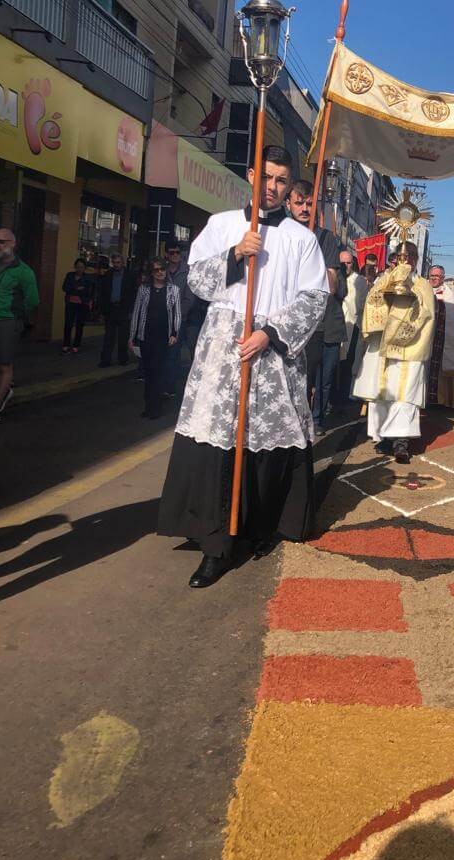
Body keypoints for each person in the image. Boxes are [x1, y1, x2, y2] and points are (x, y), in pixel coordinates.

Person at [157, 146, 328, 588]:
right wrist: (234, 254)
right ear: (252, 174)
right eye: (266, 178)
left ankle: (256, 526)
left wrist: (269, 333)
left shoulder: (302, 238)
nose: (272, 188)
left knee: (263, 442)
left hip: (272, 348)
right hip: (224, 344)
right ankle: (216, 543)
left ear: (290, 186)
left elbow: (314, 298)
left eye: (281, 181)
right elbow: (194, 278)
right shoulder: (222, 225)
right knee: (219, 440)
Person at [354, 241, 435, 464]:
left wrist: (408, 292)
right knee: (383, 392)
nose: (404, 260)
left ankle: (401, 442)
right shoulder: (383, 280)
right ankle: (384, 437)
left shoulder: (422, 285)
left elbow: (426, 315)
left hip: (409, 348)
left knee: (405, 395)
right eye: (400, 256)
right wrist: (388, 289)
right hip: (383, 348)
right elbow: (371, 305)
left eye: (409, 256)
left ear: (415, 260)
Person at [286, 178, 347, 436]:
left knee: (317, 381)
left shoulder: (326, 239)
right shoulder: (282, 233)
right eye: (299, 203)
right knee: (291, 382)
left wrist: (312, 260)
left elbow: (331, 286)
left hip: (320, 324)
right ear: (289, 204)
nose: (304, 208)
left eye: (310, 204)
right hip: (286, 322)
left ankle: (314, 420)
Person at [129, 258, 181, 419]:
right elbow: (137, 312)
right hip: (146, 336)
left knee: (159, 372)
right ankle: (148, 406)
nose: (160, 272)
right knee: (148, 372)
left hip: (163, 338)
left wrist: (174, 333)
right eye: (156, 270)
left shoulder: (174, 290)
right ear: (151, 273)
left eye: (162, 269)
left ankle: (156, 408)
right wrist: (132, 336)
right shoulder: (144, 289)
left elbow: (177, 314)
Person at [0, 228, 39, 418]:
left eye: (2, 241)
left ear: (12, 244)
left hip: (7, 321)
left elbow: (32, 301)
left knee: (5, 365)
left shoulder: (24, 272)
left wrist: (17, 318)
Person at [426, 264, 454, 407]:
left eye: (438, 276)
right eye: (432, 276)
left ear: (443, 278)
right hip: (425, 336)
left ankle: (440, 400)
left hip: (441, 337)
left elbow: (450, 318)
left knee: (440, 369)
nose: (435, 279)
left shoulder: (447, 293)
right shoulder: (423, 288)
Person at [336, 249, 368, 408]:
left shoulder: (360, 281)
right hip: (333, 327)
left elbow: (359, 306)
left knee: (347, 366)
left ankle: (342, 401)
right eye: (342, 263)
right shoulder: (332, 276)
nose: (345, 266)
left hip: (352, 327)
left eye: (348, 263)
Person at [164, 240, 193, 398]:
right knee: (162, 352)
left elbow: (189, 299)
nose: (175, 255)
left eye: (178, 252)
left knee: (173, 354)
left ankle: (170, 386)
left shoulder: (187, 272)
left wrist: (178, 314)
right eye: (172, 253)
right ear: (167, 254)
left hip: (179, 319)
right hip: (162, 318)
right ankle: (161, 383)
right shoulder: (163, 270)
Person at [97, 251, 137, 367]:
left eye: (118, 262)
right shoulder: (108, 275)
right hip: (111, 309)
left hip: (124, 309)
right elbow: (103, 293)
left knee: (123, 337)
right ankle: (105, 360)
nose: (116, 265)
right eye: (114, 263)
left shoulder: (130, 275)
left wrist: (131, 310)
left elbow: (133, 293)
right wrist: (102, 311)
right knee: (109, 336)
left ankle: (123, 358)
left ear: (123, 263)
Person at [62, 258, 94, 353]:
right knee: (68, 324)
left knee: (79, 325)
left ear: (85, 268)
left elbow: (87, 291)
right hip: (70, 303)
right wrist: (77, 288)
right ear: (75, 267)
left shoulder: (87, 278)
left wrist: (74, 289)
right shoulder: (70, 275)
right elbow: (64, 287)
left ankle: (76, 345)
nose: (79, 269)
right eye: (78, 267)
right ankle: (66, 344)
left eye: (82, 267)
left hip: (82, 304)